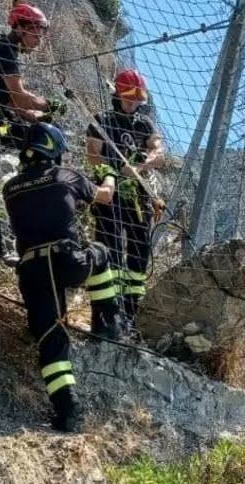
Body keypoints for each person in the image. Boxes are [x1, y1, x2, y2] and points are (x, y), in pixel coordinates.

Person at [1, 123, 121, 433]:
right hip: (67, 260)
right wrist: (111, 174)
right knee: (101, 253)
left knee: (50, 342)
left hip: (32, 271)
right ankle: (106, 325)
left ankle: (67, 411)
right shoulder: (67, 176)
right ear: (54, 151)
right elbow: (104, 197)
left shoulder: (10, 188)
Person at [0, 3, 67, 262]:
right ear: (20, 28)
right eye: (36, 32)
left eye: (41, 32)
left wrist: (41, 117)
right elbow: (19, 98)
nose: (40, 38)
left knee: (38, 135)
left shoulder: (3, 52)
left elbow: (13, 105)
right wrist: (48, 104)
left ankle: (35, 184)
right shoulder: (5, 52)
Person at [85, 68, 166, 335]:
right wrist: (112, 172)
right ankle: (108, 308)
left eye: (137, 100)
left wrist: (141, 164)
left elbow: (159, 151)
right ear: (117, 94)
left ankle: (131, 308)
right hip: (109, 194)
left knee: (139, 250)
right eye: (128, 99)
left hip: (137, 197)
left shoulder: (144, 124)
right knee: (110, 249)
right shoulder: (101, 121)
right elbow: (93, 156)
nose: (133, 104)